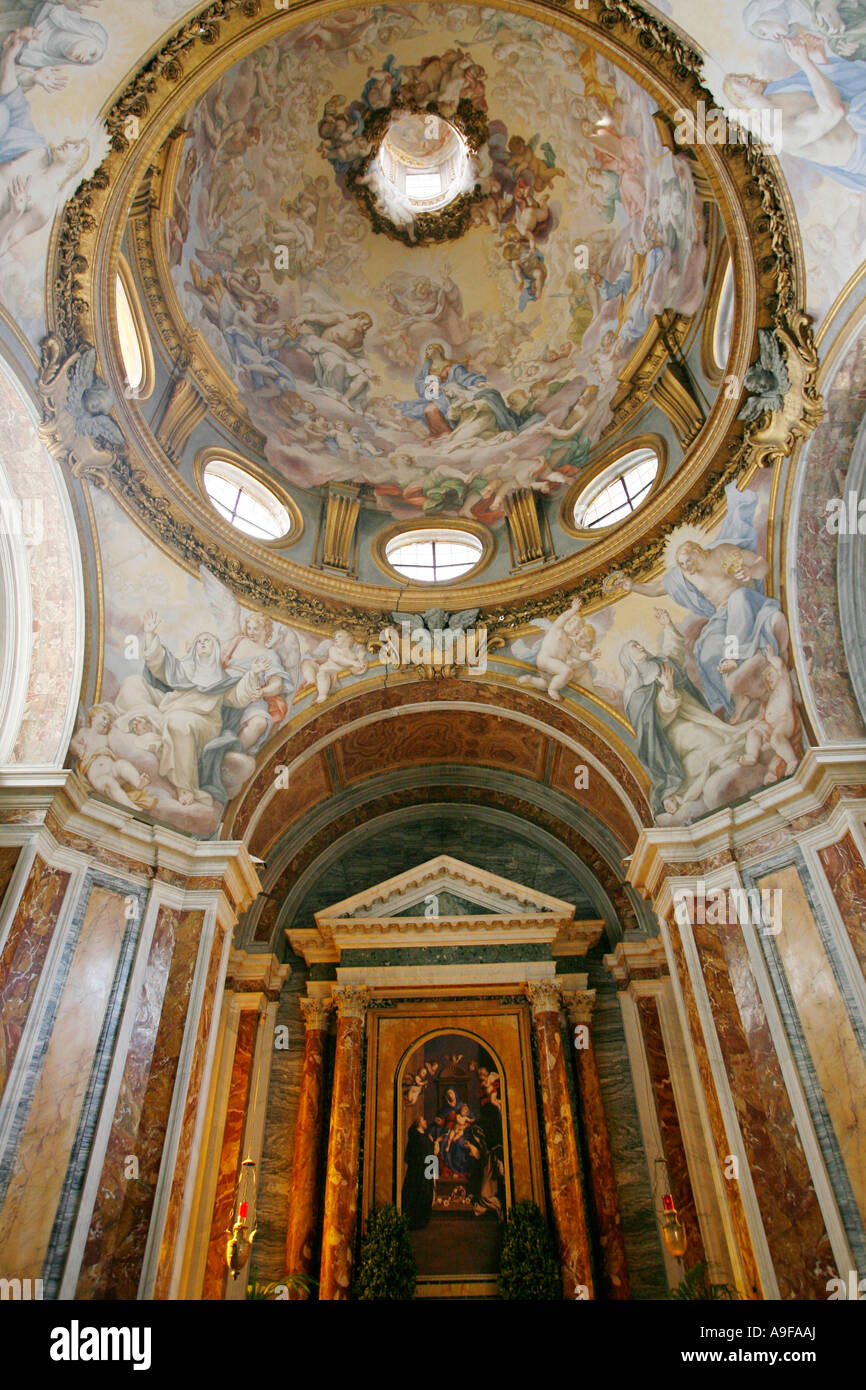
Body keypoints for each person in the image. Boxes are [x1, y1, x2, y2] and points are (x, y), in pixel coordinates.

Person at [619, 640, 748, 817]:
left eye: (639, 644)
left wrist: (668, 626)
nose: (640, 646)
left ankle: (728, 764)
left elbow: (676, 652)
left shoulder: (660, 662)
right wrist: (668, 690)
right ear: (628, 658)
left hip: (692, 711)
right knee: (709, 740)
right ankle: (683, 791)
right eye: (634, 646)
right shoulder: (634, 692)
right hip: (671, 732)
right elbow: (653, 723)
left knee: (720, 734)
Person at [401, 1116, 437, 1230]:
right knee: (417, 1195)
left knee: (425, 1195)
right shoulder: (418, 1138)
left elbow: (431, 1156)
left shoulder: (425, 1137)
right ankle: (415, 1222)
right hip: (419, 1173)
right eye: (423, 1120)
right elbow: (419, 1156)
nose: (426, 1121)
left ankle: (420, 1221)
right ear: (418, 1123)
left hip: (426, 1171)